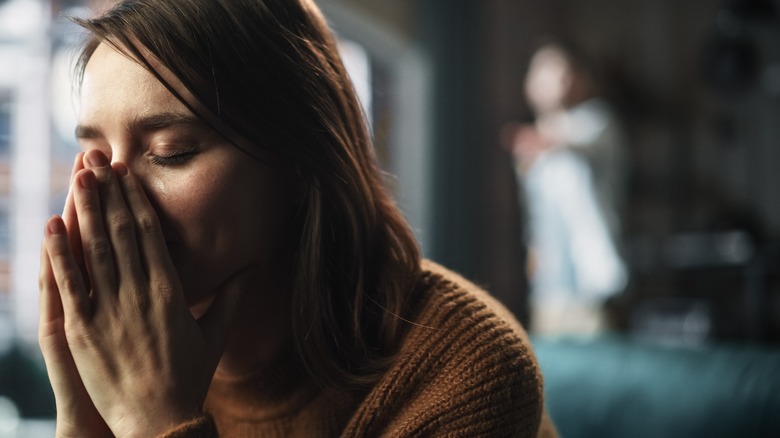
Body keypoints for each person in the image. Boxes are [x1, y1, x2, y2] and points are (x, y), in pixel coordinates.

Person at [37, 1, 555, 436]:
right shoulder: (114, 354)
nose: (113, 200)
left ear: (300, 161)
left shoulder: (464, 374)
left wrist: (155, 419)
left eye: (171, 151)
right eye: (95, 158)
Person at [505, 41, 628, 335]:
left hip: (592, 285)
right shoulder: (532, 146)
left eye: (565, 71)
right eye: (546, 71)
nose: (559, 79)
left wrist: (541, 140)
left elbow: (572, 140)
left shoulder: (597, 122)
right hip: (548, 287)